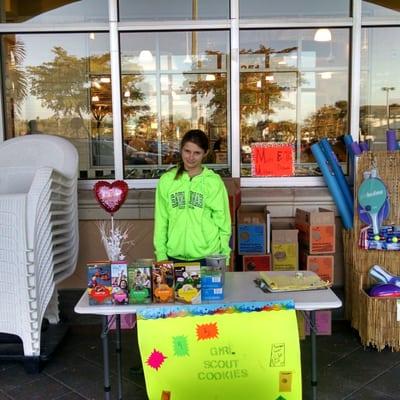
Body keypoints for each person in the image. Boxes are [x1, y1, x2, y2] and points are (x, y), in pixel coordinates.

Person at [153, 129, 231, 265]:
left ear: (205, 153)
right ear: (181, 150)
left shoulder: (213, 182)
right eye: (187, 151)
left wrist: (225, 257)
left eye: (197, 153)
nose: (191, 157)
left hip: (208, 256)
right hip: (173, 256)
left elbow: (223, 222)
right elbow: (161, 220)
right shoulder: (167, 180)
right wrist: (161, 255)